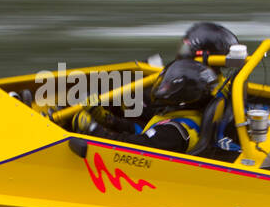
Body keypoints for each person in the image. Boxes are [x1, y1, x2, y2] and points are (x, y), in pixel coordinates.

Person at [72, 58, 223, 153]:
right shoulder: (184, 118)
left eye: (168, 85)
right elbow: (142, 132)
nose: (164, 88)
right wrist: (108, 119)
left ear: (184, 94)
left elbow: (132, 148)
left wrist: (93, 130)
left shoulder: (174, 133)